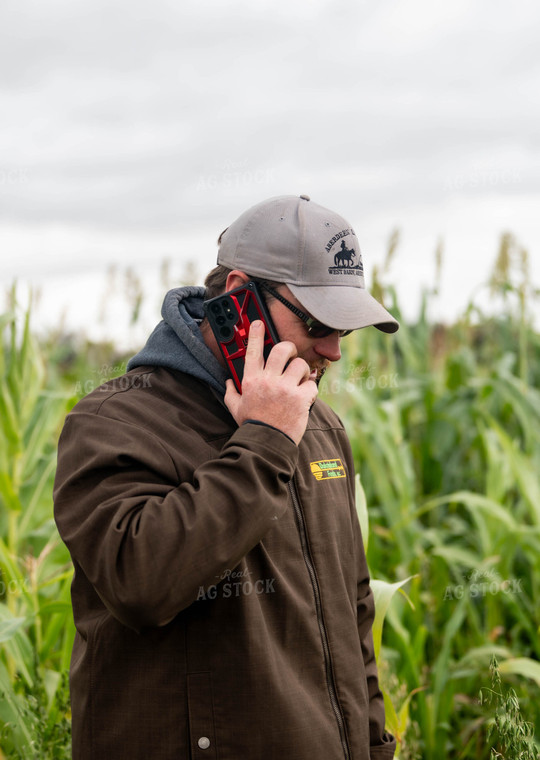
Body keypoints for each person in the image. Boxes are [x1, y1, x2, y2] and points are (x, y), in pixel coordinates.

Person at [53, 194, 399, 760]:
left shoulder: (321, 427)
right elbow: (140, 583)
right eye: (315, 322)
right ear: (239, 297)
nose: (334, 350)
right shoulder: (114, 421)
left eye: (346, 329)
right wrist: (264, 440)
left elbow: (352, 611)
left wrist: (374, 747)